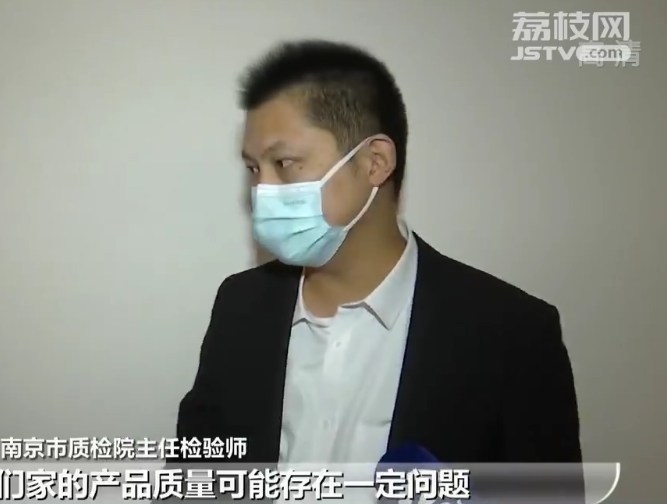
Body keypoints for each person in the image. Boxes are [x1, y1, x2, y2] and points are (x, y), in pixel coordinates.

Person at [175, 40, 582, 468]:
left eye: (285, 163)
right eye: (254, 168)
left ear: (375, 162)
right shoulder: (240, 306)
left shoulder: (511, 335)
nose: (263, 191)